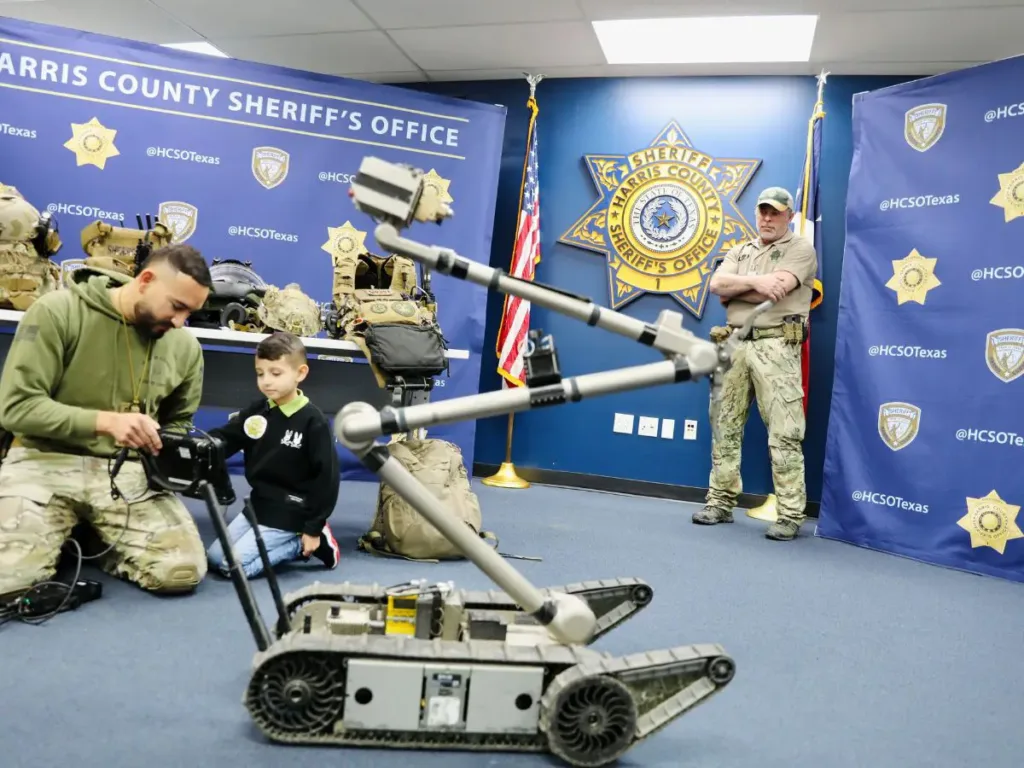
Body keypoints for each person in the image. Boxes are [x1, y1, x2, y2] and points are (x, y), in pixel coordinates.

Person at [0, 243, 213, 599]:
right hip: (43, 461)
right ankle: (69, 533)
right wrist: (104, 422)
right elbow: (17, 408)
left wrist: (165, 452)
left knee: (181, 572)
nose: (179, 322)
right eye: (176, 307)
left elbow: (178, 421)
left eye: (189, 313)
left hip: (126, 472)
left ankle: (88, 537)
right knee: (8, 581)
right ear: (145, 280)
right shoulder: (58, 312)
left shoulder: (184, 346)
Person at [693, 186, 818, 541]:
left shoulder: (800, 249)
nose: (767, 218)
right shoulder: (740, 250)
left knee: (784, 431)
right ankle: (720, 501)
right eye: (762, 211)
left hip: (776, 344)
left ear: (789, 216)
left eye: (775, 212)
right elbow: (717, 284)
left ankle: (790, 513)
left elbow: (778, 287)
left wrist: (741, 287)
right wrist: (756, 282)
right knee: (724, 425)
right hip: (733, 343)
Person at [205, 331, 341, 578]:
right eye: (260, 373)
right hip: (260, 504)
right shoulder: (257, 411)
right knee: (213, 558)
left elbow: (327, 480)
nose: (266, 381)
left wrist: (313, 526)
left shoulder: (314, 421)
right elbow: (227, 438)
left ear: (300, 373)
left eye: (276, 373)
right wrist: (201, 446)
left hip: (294, 512)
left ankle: (304, 544)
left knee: (230, 567)